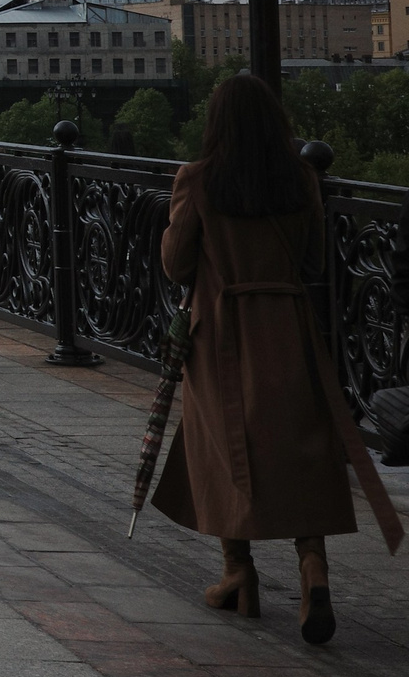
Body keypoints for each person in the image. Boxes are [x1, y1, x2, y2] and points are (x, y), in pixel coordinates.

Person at [154, 74, 402, 641]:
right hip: (289, 327)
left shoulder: (197, 179)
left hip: (221, 327)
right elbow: (315, 259)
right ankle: (313, 568)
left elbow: (176, 263)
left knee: (223, 443)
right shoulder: (301, 180)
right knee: (300, 445)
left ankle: (237, 572)